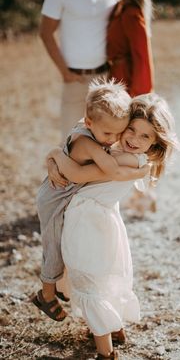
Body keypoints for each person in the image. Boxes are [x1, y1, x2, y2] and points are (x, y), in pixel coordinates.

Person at [47, 93, 180, 359]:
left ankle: (105, 353)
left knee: (89, 281)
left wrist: (53, 154)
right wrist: (54, 163)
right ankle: (115, 328)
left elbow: (77, 174)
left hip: (89, 224)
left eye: (145, 137)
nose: (134, 139)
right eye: (131, 129)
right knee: (101, 278)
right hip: (100, 221)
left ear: (155, 143)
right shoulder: (118, 151)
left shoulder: (129, 160)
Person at [32, 79, 149, 322]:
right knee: (53, 246)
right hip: (56, 196)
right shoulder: (86, 141)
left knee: (71, 242)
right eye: (108, 133)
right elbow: (112, 170)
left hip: (68, 192)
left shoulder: (98, 130)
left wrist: (53, 155)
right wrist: (139, 172)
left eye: (119, 132)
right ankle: (46, 295)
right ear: (88, 122)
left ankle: (63, 288)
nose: (113, 139)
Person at [40, 0, 120, 140]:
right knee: (71, 141)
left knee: (104, 142)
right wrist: (64, 72)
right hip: (74, 79)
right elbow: (45, 32)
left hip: (104, 78)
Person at [107, 0, 154, 97]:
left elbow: (142, 56)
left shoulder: (131, 14)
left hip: (126, 83)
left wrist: (139, 96)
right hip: (115, 77)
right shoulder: (119, 8)